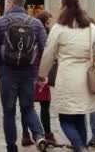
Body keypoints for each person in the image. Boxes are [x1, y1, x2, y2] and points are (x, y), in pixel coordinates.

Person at [38, 0, 95, 152]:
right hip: (85, 78)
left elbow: (49, 54)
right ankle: (82, 148)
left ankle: (80, 148)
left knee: (65, 120)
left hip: (67, 77)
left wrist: (42, 75)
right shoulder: (90, 27)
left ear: (64, 6)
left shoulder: (59, 28)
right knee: (79, 117)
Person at [0, 0, 48, 152]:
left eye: (6, 2)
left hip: (7, 71)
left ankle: (11, 147)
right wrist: (40, 73)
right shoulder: (36, 23)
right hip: (28, 72)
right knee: (28, 107)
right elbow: (45, 50)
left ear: (10, 3)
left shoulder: (0, 22)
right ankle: (38, 135)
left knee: (8, 111)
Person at [21, 11, 61, 147]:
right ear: (44, 22)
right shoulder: (44, 36)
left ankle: (26, 135)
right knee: (43, 106)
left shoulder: (29, 34)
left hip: (30, 73)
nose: (50, 25)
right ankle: (47, 134)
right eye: (49, 22)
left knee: (27, 106)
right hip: (39, 73)